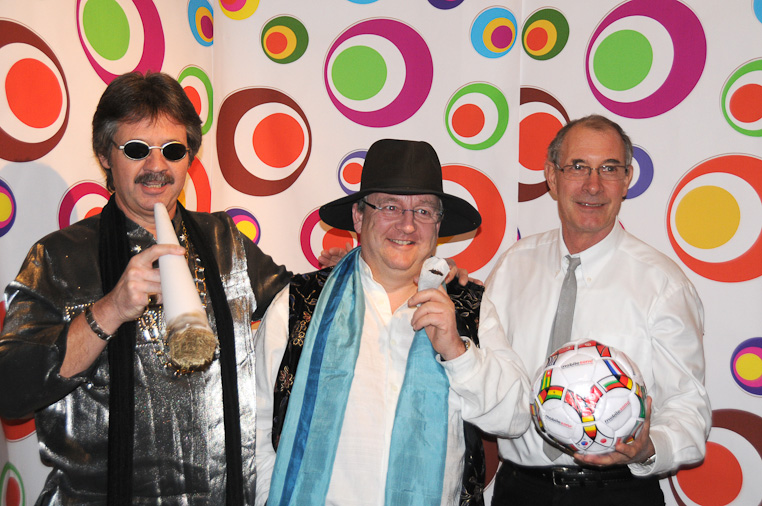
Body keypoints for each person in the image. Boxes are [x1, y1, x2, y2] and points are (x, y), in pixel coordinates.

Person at [0, 71, 292, 505]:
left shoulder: (224, 242)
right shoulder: (57, 257)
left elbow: (301, 316)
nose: (157, 167)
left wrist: (348, 273)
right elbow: (11, 392)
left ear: (190, 157)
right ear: (105, 154)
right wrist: (109, 311)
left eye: (173, 150)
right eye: (137, 149)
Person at [255, 139, 531, 506]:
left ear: (438, 225)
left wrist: (458, 352)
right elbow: (255, 426)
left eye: (424, 211)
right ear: (359, 216)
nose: (407, 225)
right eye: (390, 207)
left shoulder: (471, 307)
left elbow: (515, 418)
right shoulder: (299, 302)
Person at [483, 115, 711, 505]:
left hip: (620, 491)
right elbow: (485, 375)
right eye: (577, 167)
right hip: (518, 490)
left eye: (609, 168)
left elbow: (689, 408)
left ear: (627, 179)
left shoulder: (663, 284)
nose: (593, 185)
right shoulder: (512, 267)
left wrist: (648, 448)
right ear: (551, 177)